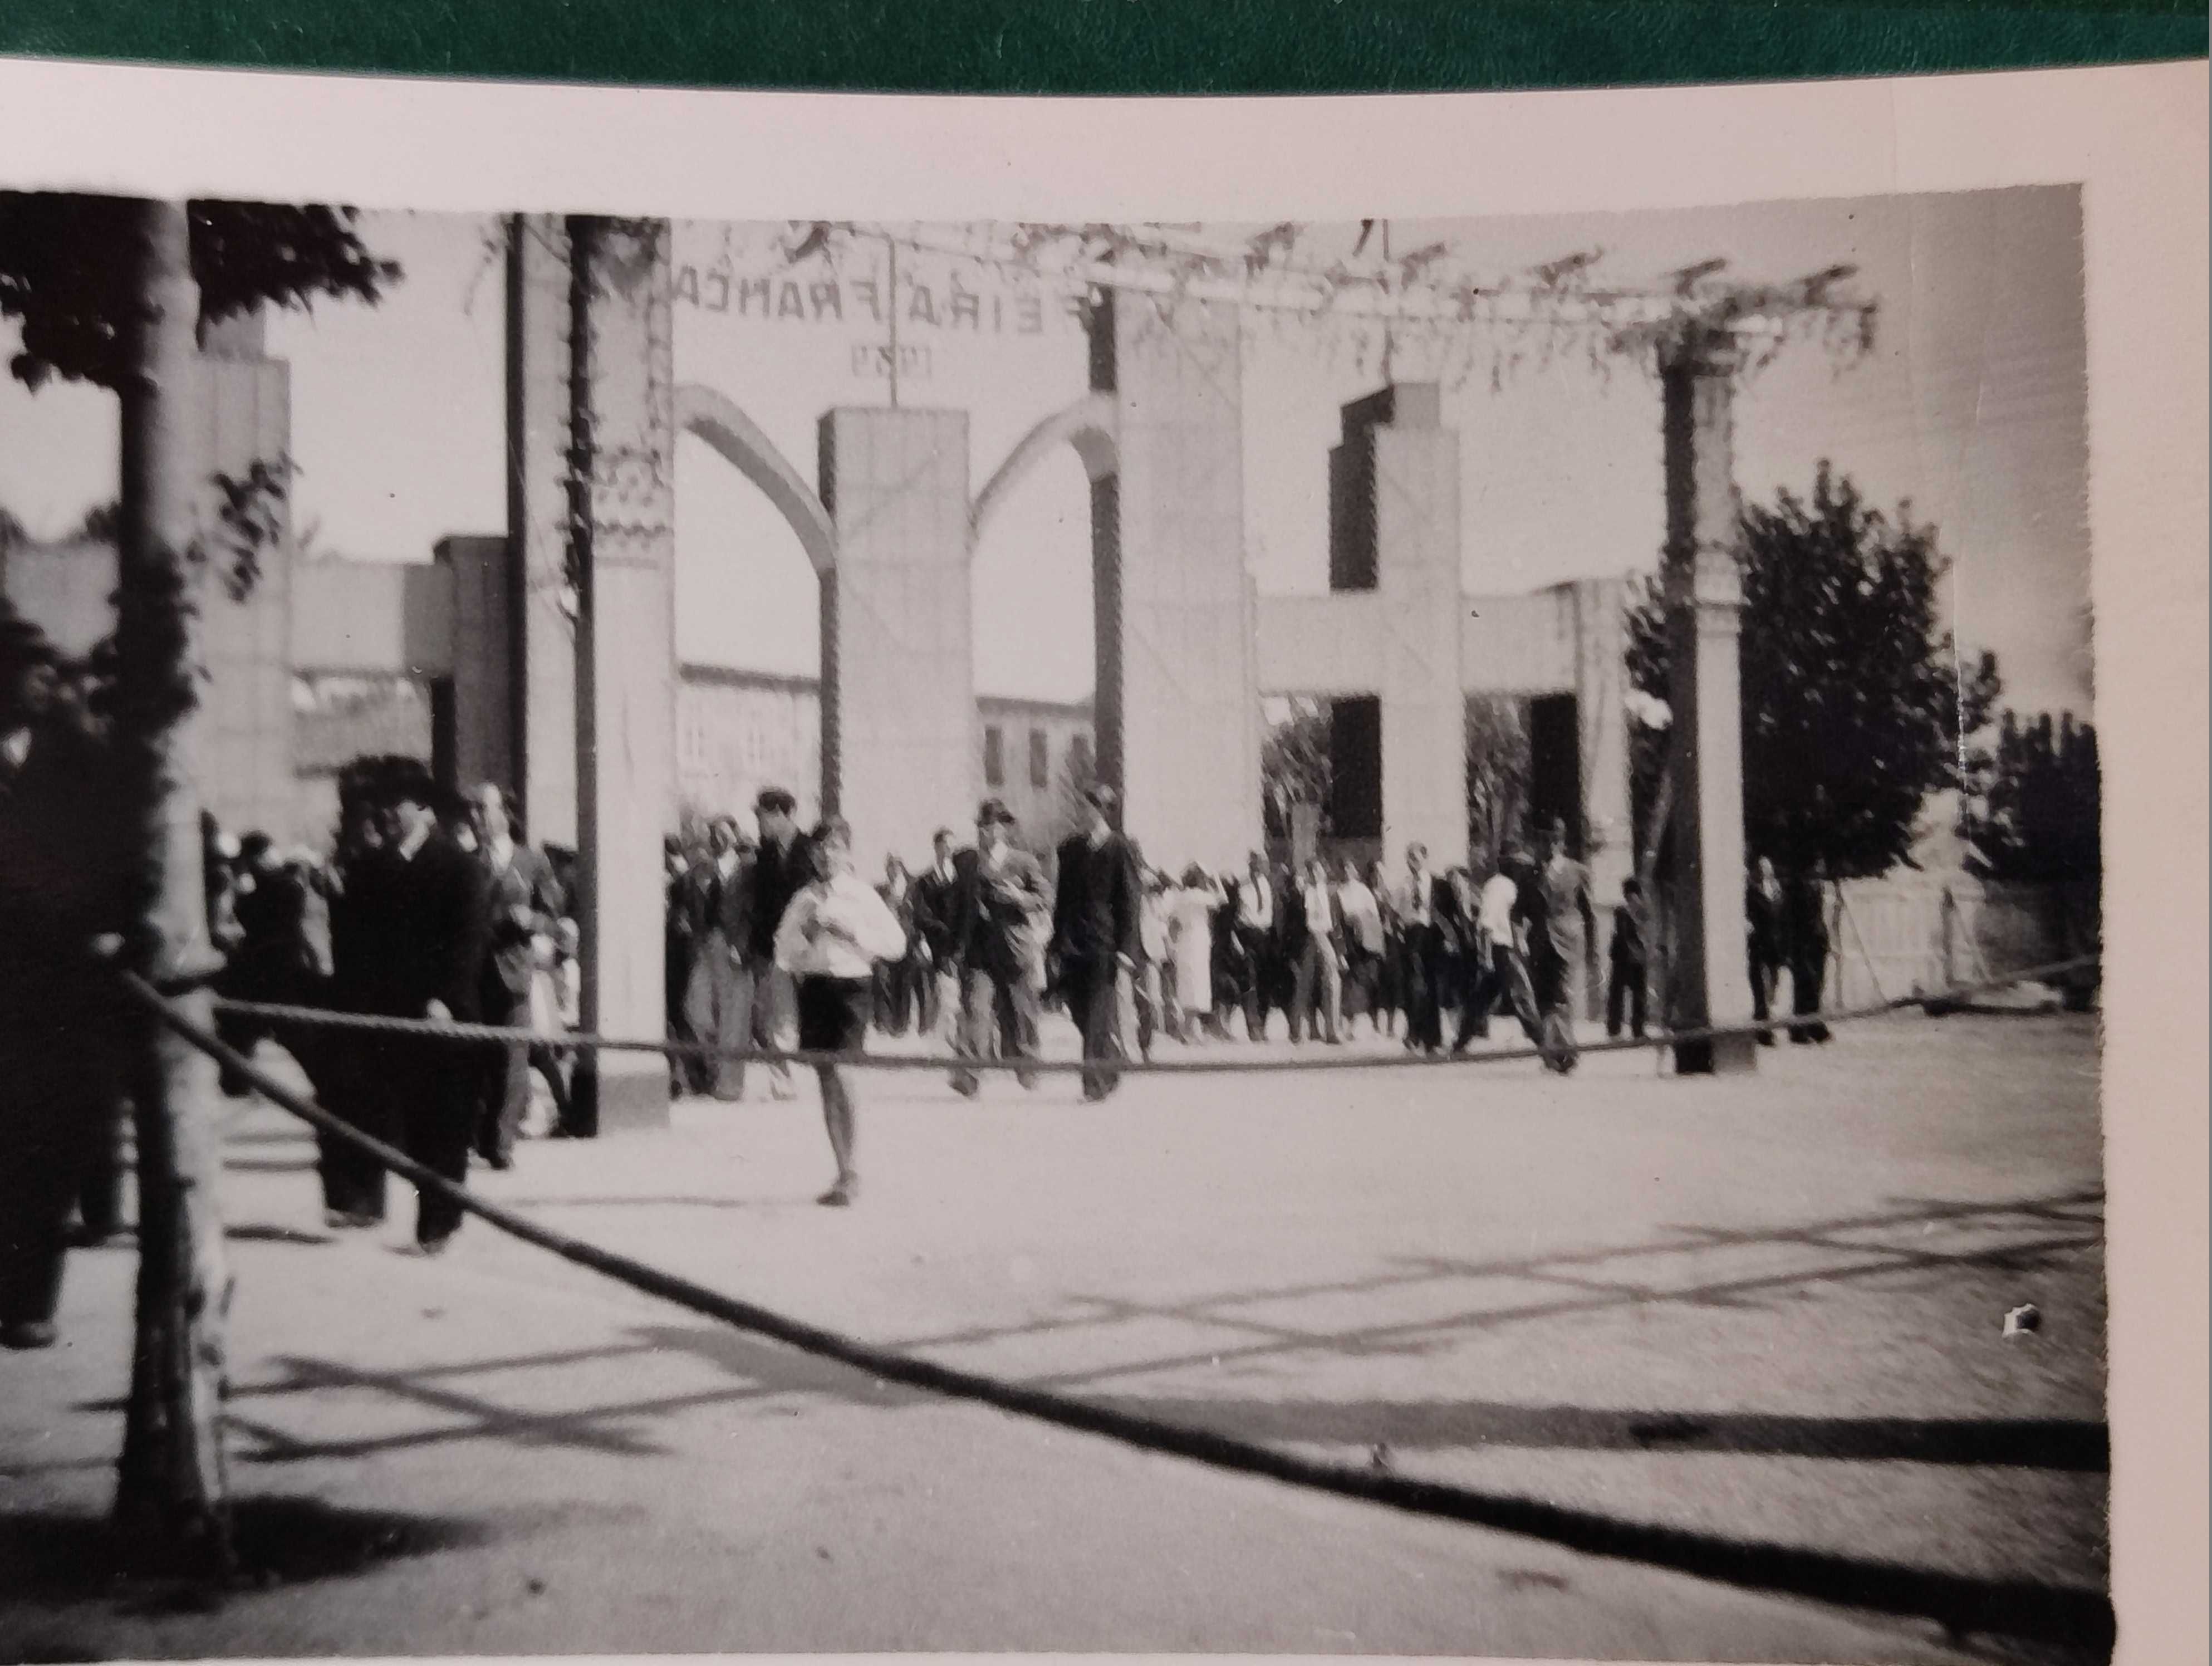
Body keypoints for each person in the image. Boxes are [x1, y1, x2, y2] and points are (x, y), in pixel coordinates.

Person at [0, 615, 131, 1349]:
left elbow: (121, 853)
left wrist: (104, 924)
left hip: (61, 991)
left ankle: (27, 1302)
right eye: (28, 665)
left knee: (50, 1146)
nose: (46, 677)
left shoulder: (79, 755)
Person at [350, 761, 489, 1252]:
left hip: (443, 1017)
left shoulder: (459, 867)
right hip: (386, 1016)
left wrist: (444, 1000)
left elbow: (466, 943)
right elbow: (359, 947)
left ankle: (438, 1223)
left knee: (443, 1125)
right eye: (382, 804)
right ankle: (365, 1202)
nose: (386, 813)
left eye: (397, 802)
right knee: (395, 1121)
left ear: (424, 809)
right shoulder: (370, 870)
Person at [774, 820, 908, 1206]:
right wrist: (810, 935)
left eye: (834, 848)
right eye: (819, 850)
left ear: (847, 852)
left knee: (844, 1071)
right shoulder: (803, 899)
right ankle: (841, 1169)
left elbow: (896, 944)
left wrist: (852, 933)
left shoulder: (862, 895)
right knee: (825, 1078)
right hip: (816, 987)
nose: (826, 856)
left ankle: (853, 1171)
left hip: (852, 987)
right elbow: (783, 952)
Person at [469, 783, 563, 1168]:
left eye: (482, 809)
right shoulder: (469, 861)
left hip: (514, 974)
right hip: (475, 975)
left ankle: (502, 1142)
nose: (475, 817)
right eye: (472, 810)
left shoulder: (533, 861)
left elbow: (554, 912)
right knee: (478, 1060)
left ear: (504, 814)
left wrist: (534, 920)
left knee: (513, 1061)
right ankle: (483, 1135)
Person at [948, 799, 1050, 1096]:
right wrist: (955, 946)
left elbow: (1045, 896)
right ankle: (969, 1075)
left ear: (1004, 829)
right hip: (979, 951)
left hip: (1015, 948)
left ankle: (1028, 1068)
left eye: (990, 827)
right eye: (981, 826)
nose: (985, 832)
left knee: (1022, 1011)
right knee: (975, 1010)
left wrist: (1019, 897)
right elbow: (957, 904)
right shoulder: (968, 862)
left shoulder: (1024, 861)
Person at [1051, 786, 1144, 1100]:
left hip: (1105, 945)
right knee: (1081, 1012)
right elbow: (1061, 901)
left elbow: (1131, 901)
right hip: (1073, 945)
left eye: (1091, 807)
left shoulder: (1120, 849)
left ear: (1103, 811)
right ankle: (1111, 1062)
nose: (1084, 812)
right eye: (1083, 806)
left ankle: (1093, 1084)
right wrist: (1056, 942)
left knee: (1097, 1013)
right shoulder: (1071, 849)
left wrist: (1128, 949)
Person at [739, 790, 808, 1101]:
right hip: (775, 950)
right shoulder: (764, 855)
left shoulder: (810, 849)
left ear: (785, 813)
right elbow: (758, 906)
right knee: (777, 1015)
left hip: (808, 949)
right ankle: (784, 1079)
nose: (760, 822)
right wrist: (755, 948)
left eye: (765, 815)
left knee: (807, 1016)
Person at [684, 816, 756, 1100]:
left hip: (736, 945)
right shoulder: (705, 869)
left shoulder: (748, 869)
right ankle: (714, 1069)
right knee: (697, 1009)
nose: (718, 838)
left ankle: (731, 1084)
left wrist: (744, 945)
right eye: (714, 833)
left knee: (735, 1017)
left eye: (724, 833)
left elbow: (753, 911)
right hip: (709, 944)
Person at [1532, 820, 1597, 1073]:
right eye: (1543, 842)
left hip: (1567, 937)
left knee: (1562, 993)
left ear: (1561, 843)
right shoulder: (1535, 871)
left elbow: (1589, 910)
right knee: (1545, 996)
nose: (1547, 847)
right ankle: (1552, 1054)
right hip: (1541, 939)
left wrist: (1592, 946)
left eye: (1552, 841)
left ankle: (1568, 1052)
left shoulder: (1577, 871)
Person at [1389, 844, 1444, 1054]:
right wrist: (1399, 934)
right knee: (1414, 985)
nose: (1412, 862)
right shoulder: (1404, 886)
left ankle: (1433, 1038)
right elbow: (1394, 914)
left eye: (1415, 857)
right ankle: (1414, 1035)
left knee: (1432, 987)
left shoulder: (1436, 883)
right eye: (1408, 858)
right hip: (1412, 934)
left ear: (1425, 858)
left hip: (1432, 936)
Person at [1284, 857, 1345, 1044]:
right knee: (1303, 986)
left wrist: (1341, 952)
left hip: (1326, 938)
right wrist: (1293, 952)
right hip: (1308, 940)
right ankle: (1297, 1031)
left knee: (1332, 983)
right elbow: (1292, 925)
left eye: (1318, 871)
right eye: (1311, 871)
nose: (1315, 875)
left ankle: (1332, 1030)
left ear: (1324, 873)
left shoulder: (1332, 894)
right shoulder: (1301, 894)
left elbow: (1338, 925)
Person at [910, 827, 962, 1042]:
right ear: (937, 847)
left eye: (951, 845)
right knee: (939, 991)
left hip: (960, 942)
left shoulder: (961, 878)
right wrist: (931, 934)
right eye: (944, 845)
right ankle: (940, 1036)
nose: (948, 849)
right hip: (935, 944)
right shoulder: (925, 881)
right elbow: (920, 914)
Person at [1167, 865, 1224, 1043]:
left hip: (1185, 940)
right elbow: (1222, 898)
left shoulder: (1180, 897)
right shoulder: (1199, 897)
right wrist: (1215, 880)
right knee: (1198, 982)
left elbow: (1171, 919)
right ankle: (1190, 1026)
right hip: (1198, 940)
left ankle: (1190, 1026)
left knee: (1187, 982)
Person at [1782, 863, 1833, 1043]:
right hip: (1803, 944)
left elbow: (1819, 916)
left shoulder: (1819, 887)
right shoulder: (1797, 888)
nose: (1821, 869)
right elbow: (1793, 921)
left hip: (1817, 942)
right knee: (1805, 985)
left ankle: (1814, 1025)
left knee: (1817, 985)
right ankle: (1799, 1028)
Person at [1231, 851, 1279, 1041]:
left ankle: (1263, 1023)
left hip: (1266, 937)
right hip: (1247, 935)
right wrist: (1236, 940)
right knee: (1249, 980)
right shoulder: (1241, 886)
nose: (1257, 867)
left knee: (1266, 982)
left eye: (1260, 863)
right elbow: (1233, 915)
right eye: (1254, 863)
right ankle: (1252, 1026)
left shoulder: (1270, 885)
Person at [873, 854, 921, 1036]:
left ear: (902, 869)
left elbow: (919, 917)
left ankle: (901, 1025)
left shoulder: (913, 891)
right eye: (890, 868)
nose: (893, 871)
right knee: (883, 979)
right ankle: (884, 1023)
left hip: (908, 944)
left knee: (904, 983)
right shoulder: (881, 891)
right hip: (885, 944)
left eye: (896, 867)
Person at [1747, 855, 1787, 1046]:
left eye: (1767, 868)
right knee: (1761, 988)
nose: (1764, 872)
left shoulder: (1777, 890)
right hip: (1759, 945)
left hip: (1775, 946)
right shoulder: (1750, 891)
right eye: (1761, 868)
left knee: (1773, 988)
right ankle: (1764, 1031)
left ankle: (1767, 1024)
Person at [1607, 875, 1651, 1041]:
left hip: (1625, 958)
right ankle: (1635, 1031)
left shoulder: (1624, 911)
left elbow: (1624, 934)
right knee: (1634, 996)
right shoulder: (1630, 911)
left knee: (1619, 995)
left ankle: (1617, 1029)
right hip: (1634, 957)